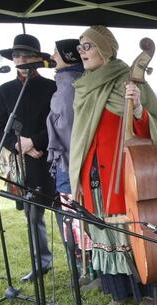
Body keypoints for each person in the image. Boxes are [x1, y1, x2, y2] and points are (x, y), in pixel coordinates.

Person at [68, 26, 157, 305]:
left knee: (133, 230)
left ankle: (150, 291)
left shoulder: (126, 80)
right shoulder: (83, 86)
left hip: (126, 172)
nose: (82, 53)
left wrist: (139, 108)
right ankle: (119, 293)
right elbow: (81, 134)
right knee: (104, 229)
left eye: (88, 46)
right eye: (80, 48)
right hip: (93, 174)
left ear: (105, 48)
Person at [0, 33, 56, 282]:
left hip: (51, 158)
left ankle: (79, 265)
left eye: (27, 55)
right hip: (25, 162)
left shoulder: (53, 87)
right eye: (17, 55)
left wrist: (37, 142)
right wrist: (22, 146)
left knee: (64, 214)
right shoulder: (5, 90)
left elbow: (59, 123)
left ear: (37, 59)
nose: (21, 60)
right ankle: (42, 263)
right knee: (32, 216)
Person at [45, 39, 95, 288]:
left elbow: (66, 128)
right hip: (72, 162)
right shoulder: (74, 83)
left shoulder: (67, 88)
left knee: (74, 218)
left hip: (69, 163)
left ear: (67, 56)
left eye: (56, 51)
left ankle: (85, 271)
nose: (52, 54)